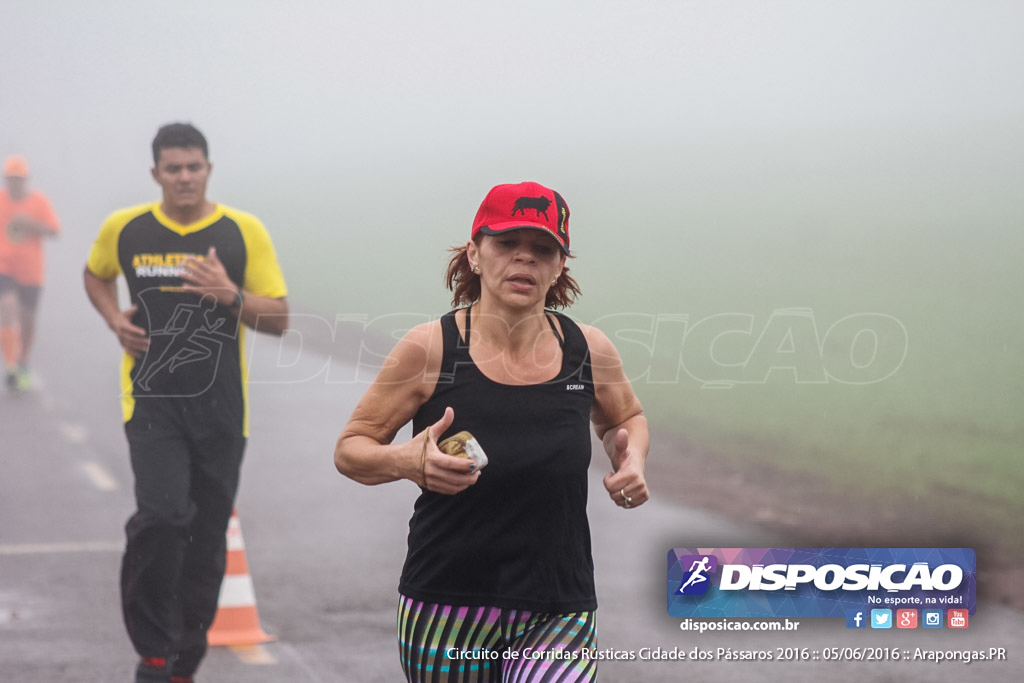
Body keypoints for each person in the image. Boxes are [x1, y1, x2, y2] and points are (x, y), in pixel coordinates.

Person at [334, 181, 649, 682]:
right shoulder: (430, 349)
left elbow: (623, 419)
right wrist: (406, 461)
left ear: (560, 265)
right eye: (507, 244)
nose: (524, 259)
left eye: (542, 249)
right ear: (475, 254)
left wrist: (629, 461)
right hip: (447, 602)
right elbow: (351, 450)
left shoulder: (588, 350)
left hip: (558, 603)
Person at [83, 123, 289, 683]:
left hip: (222, 408)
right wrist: (112, 319)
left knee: (204, 542)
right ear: (156, 174)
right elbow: (95, 274)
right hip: (151, 401)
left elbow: (280, 318)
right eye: (173, 168)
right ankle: (153, 651)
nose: (184, 177)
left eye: (193, 166)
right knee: (163, 518)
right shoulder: (125, 229)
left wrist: (232, 296)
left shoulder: (242, 232)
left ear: (208, 169)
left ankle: (183, 663)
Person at [0, 155, 60, 390]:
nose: (14, 183)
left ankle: (23, 360)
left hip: (31, 272)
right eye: (10, 179)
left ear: (25, 180)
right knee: (7, 306)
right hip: (4, 267)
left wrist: (31, 224)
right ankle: (10, 364)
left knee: (28, 321)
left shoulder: (38, 202)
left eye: (18, 179)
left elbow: (54, 230)